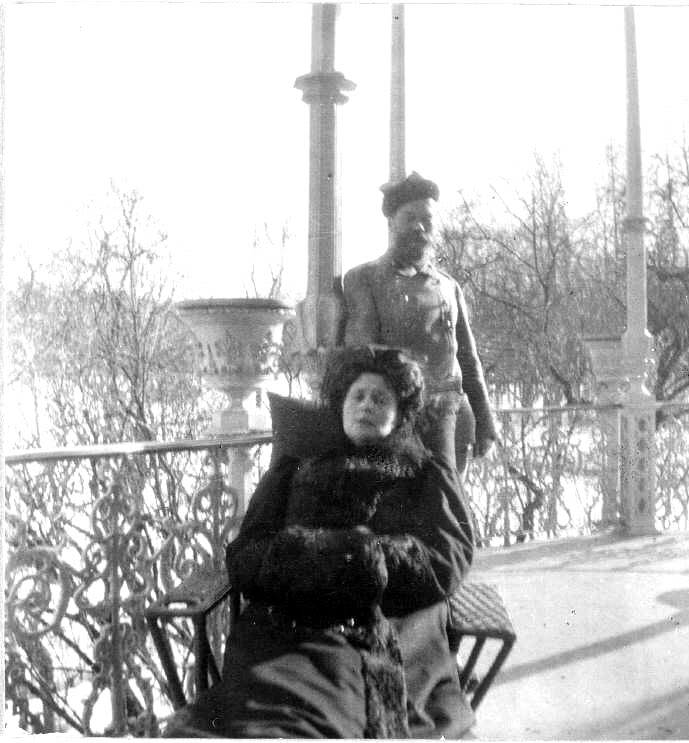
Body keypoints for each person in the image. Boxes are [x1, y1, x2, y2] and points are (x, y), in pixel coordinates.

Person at [162, 347, 475, 739]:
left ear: (400, 414)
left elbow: (447, 559)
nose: (365, 406)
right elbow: (246, 552)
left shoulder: (422, 474)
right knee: (265, 717)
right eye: (357, 396)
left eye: (380, 399)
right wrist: (303, 559)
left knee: (328, 719)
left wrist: (364, 560)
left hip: (379, 626)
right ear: (341, 406)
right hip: (285, 629)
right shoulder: (296, 468)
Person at [343, 172, 497, 476]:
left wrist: (485, 418)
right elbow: (363, 356)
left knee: (452, 508)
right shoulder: (365, 279)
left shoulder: (450, 287)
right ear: (391, 223)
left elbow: (468, 359)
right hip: (399, 421)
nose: (419, 226)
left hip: (455, 420)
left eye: (427, 219)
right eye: (409, 217)